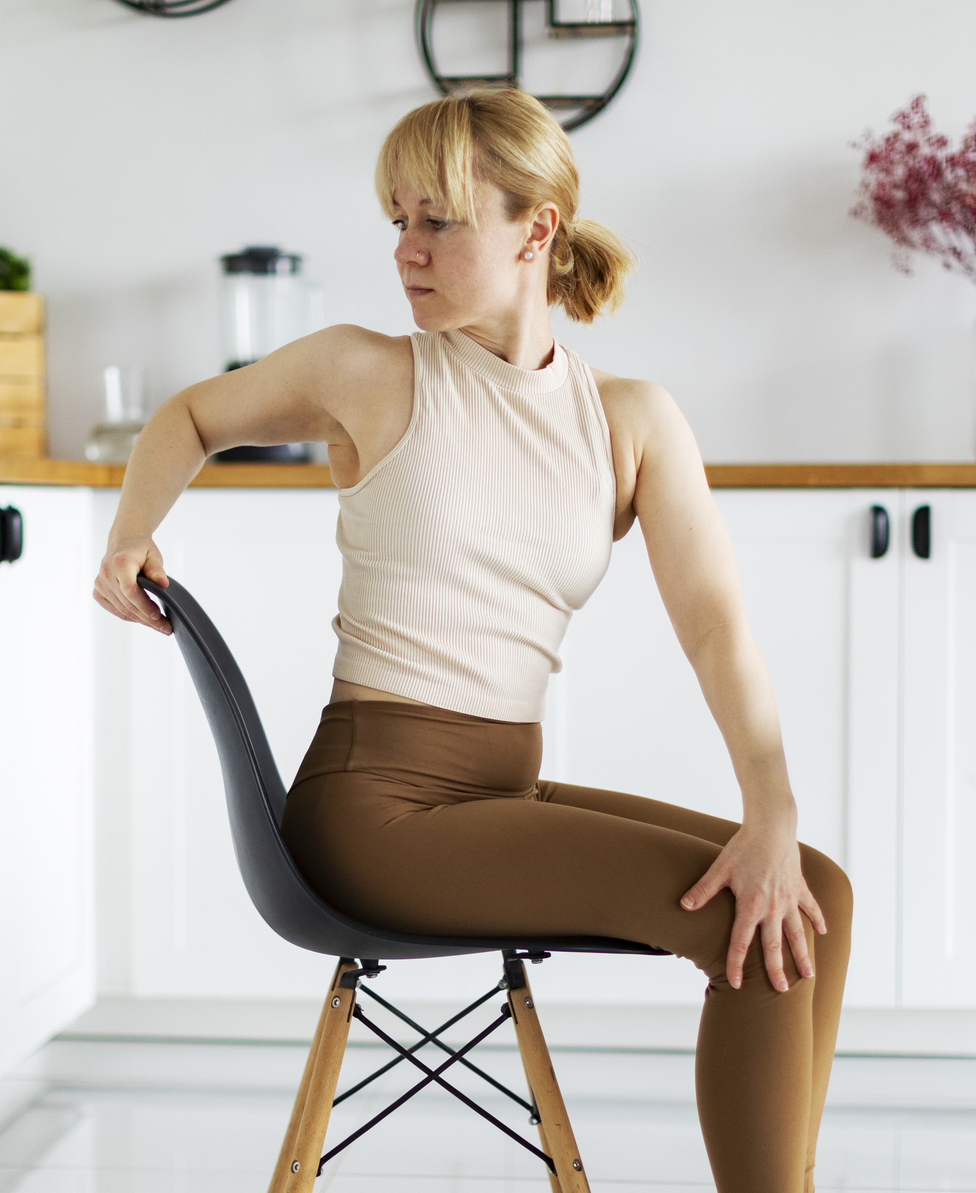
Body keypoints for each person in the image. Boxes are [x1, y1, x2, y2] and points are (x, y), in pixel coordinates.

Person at [91, 88, 851, 1193]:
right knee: (755, 918)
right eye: (398, 220)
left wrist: (772, 809)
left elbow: (717, 627)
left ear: (534, 229)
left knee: (811, 882)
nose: (406, 249)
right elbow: (191, 418)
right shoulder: (370, 371)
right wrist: (131, 534)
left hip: (499, 796)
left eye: (437, 219)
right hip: (377, 811)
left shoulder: (631, 419)